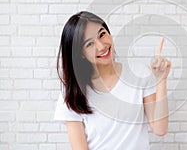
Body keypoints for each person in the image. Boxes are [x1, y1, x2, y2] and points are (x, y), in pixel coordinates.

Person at [54, 11, 171, 150]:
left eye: (102, 34)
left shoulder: (138, 73)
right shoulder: (72, 94)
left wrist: (161, 80)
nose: (101, 46)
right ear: (81, 54)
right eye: (90, 44)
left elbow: (160, 128)